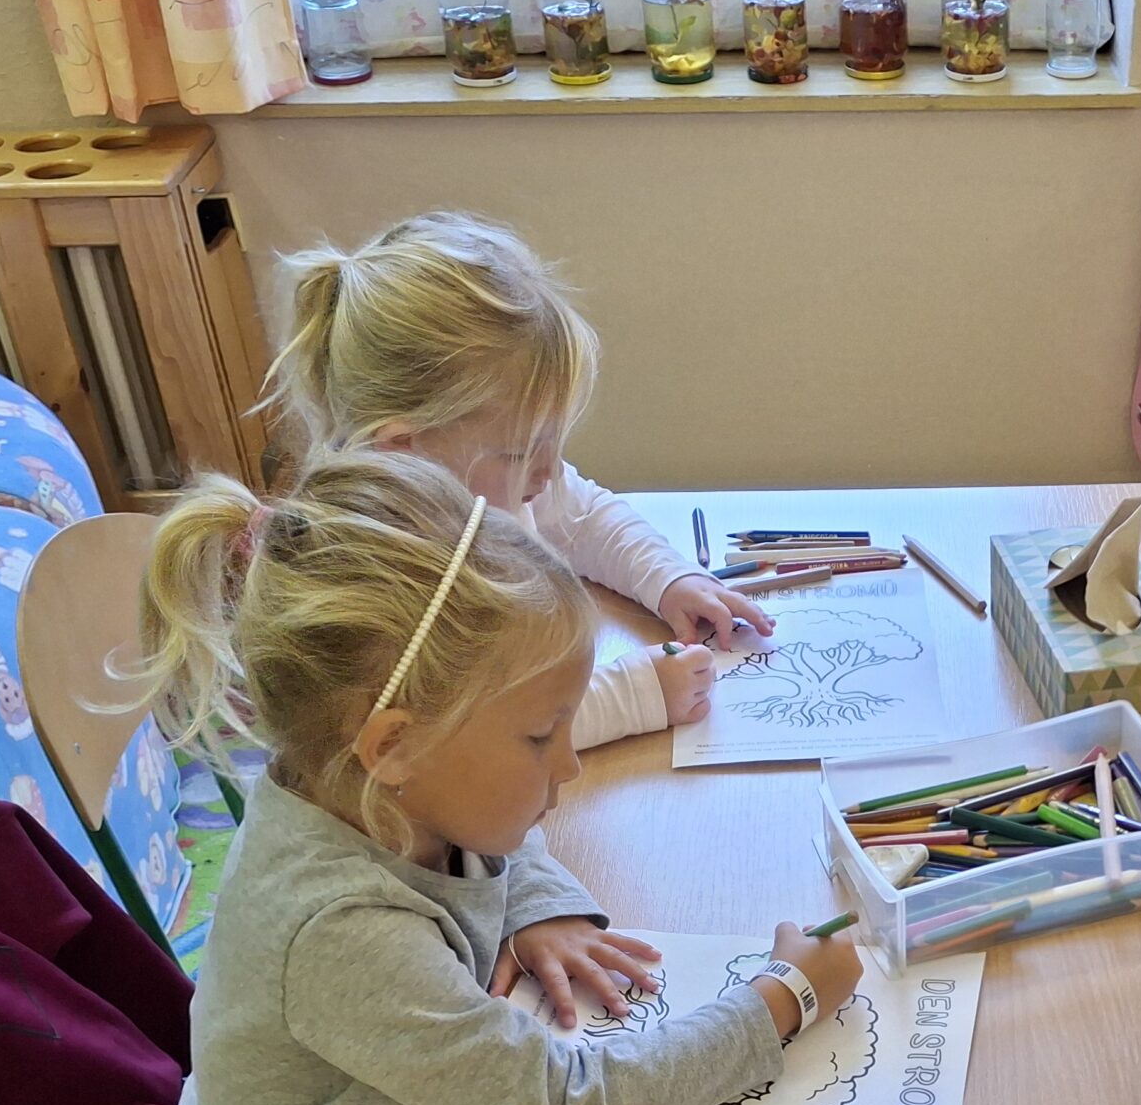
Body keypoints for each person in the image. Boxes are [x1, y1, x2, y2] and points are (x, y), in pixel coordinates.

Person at [138, 449, 857, 1105]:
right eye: (539, 736)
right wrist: (782, 999)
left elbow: (497, 834)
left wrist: (537, 902)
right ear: (393, 744)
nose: (568, 768)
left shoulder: (382, 791)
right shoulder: (338, 929)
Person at [266, 211, 772, 751]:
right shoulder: (376, 574)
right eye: (520, 452)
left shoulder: (481, 484)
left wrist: (669, 579)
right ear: (403, 448)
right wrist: (633, 696)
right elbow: (460, 740)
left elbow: (585, 518)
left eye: (554, 440)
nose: (549, 471)